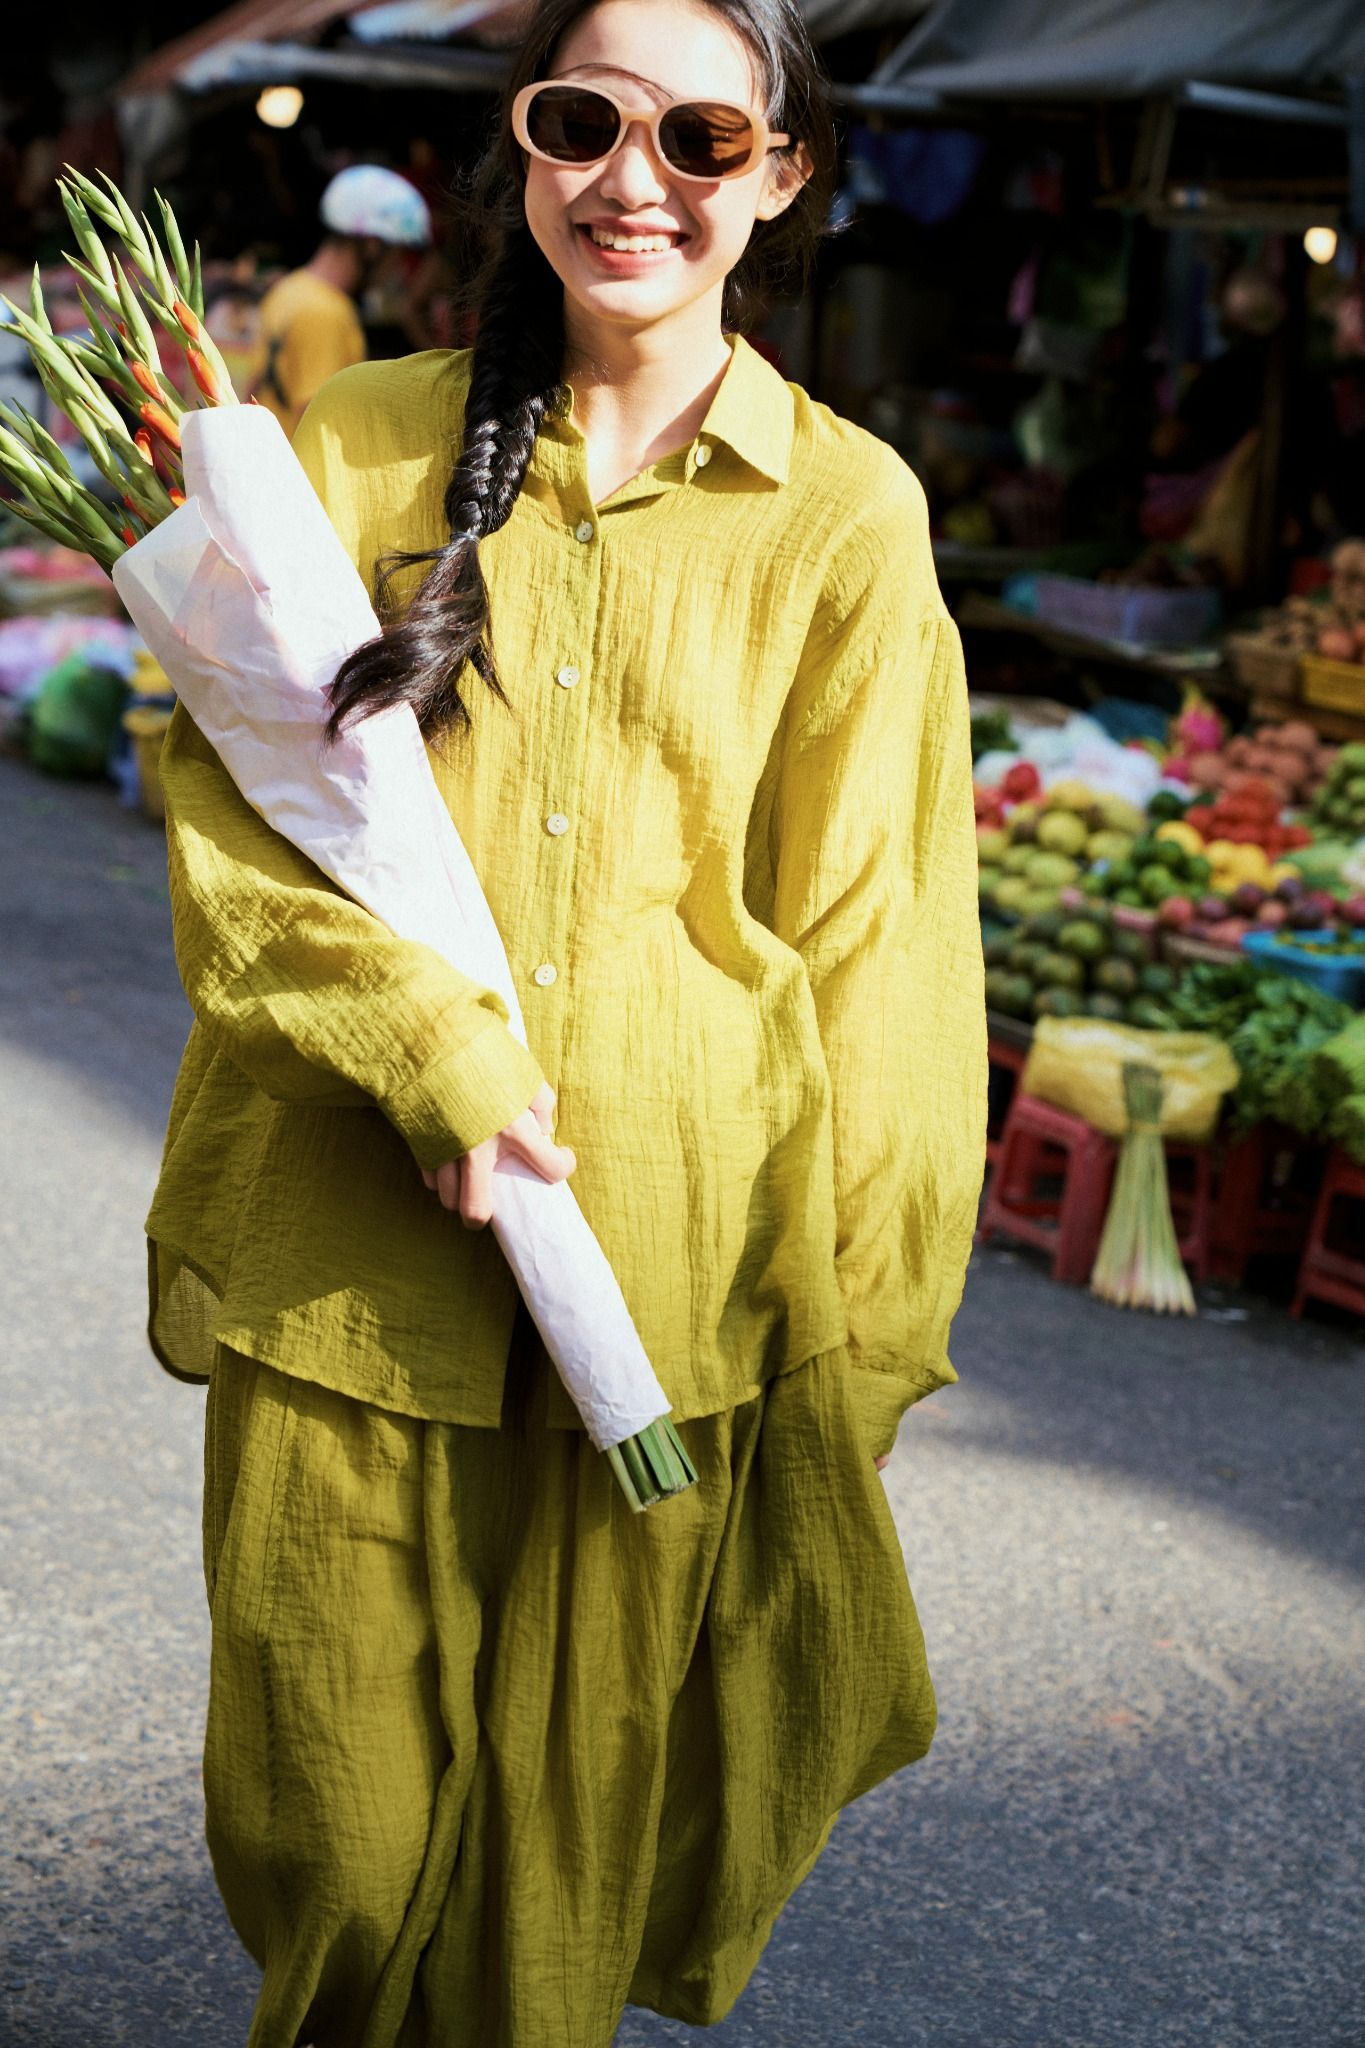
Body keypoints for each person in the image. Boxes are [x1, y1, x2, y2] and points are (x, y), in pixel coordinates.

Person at [150, 1, 987, 2040]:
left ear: (779, 174)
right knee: (335, 1846)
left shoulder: (846, 518)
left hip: (671, 1288)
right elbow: (226, 813)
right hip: (348, 1251)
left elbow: (879, 945)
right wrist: (425, 1051)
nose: (634, 175)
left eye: (701, 136)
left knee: (556, 1879)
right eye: (582, 118)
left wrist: (858, 1341)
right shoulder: (345, 449)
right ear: (520, 142)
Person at [243, 163, 433, 437]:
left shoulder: (290, 288)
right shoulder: (328, 314)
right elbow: (321, 426)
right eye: (398, 254)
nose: (398, 269)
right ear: (372, 246)